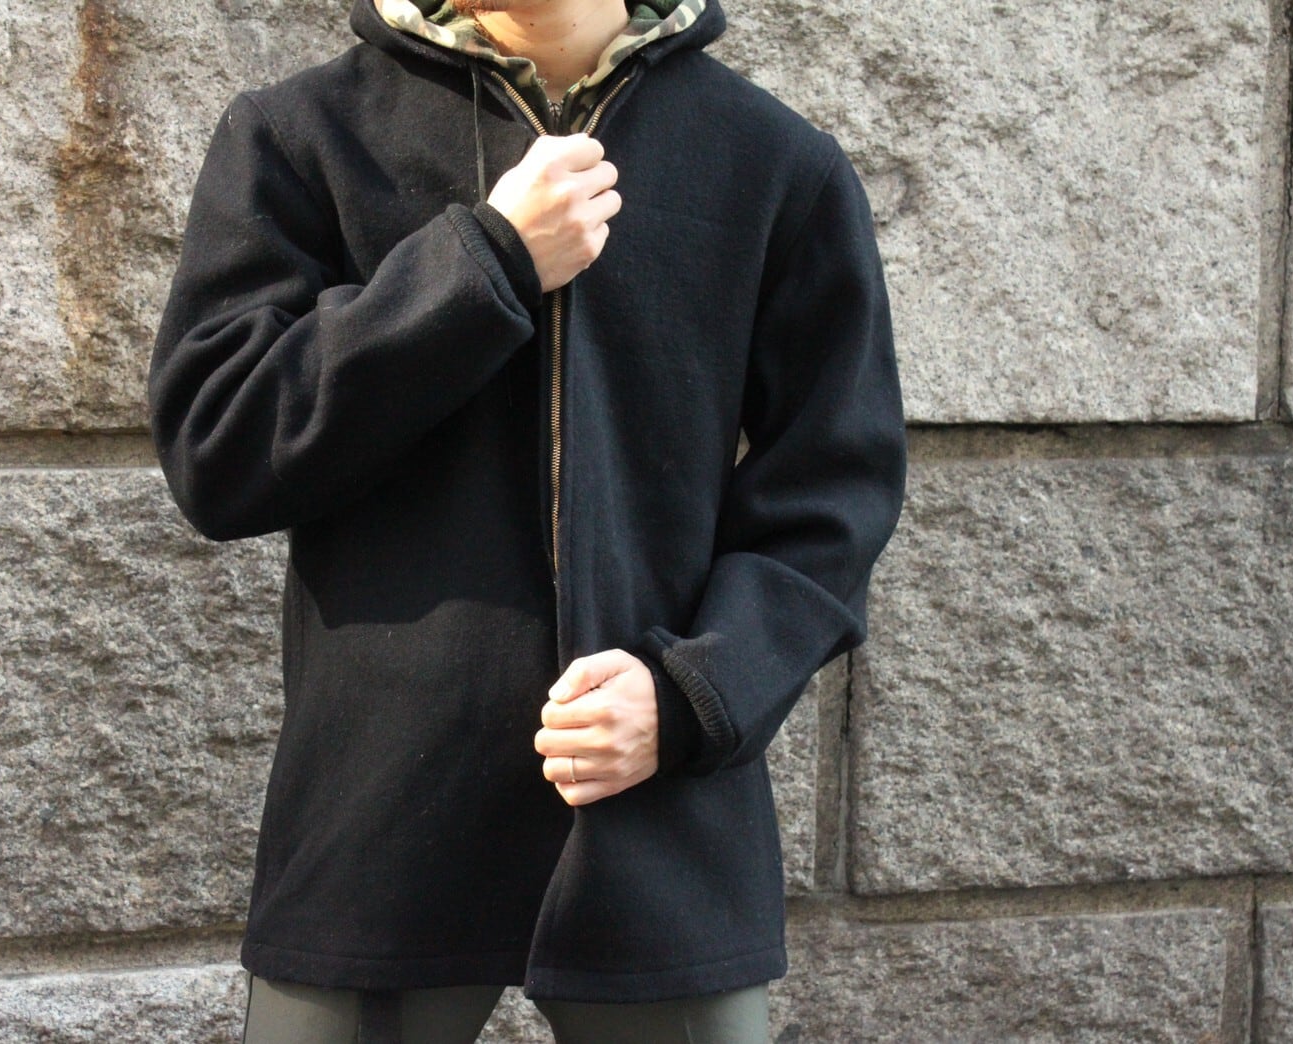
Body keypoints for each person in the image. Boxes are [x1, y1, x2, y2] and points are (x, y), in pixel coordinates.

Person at [147, 0, 907, 1035]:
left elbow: (834, 490)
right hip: (378, 822)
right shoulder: (299, 134)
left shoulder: (774, 163)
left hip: (659, 822)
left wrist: (694, 693)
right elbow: (219, 451)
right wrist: (488, 260)